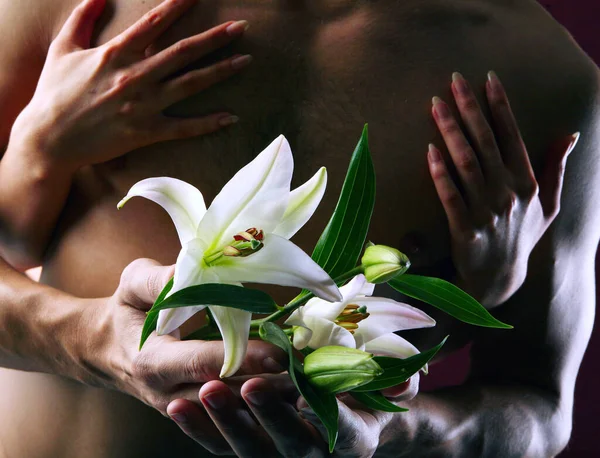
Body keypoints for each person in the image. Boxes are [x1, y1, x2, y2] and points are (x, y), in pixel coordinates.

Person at [0, 0, 597, 456]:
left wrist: (398, 432)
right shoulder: (69, 12)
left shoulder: (540, 78)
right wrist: (96, 343)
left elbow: (541, 405)